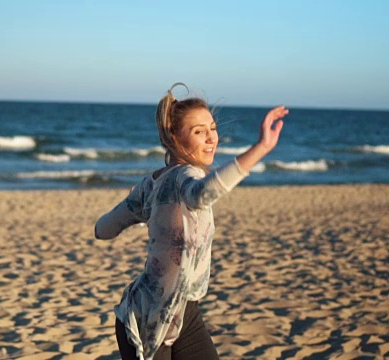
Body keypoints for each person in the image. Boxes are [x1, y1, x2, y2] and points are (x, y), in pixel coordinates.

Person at [94, 83, 288, 360]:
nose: (212, 139)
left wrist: (135, 216)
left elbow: (103, 230)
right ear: (173, 137)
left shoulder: (151, 184)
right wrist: (261, 148)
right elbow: (202, 193)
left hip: (184, 312)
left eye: (212, 128)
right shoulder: (184, 176)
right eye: (199, 132)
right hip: (147, 319)